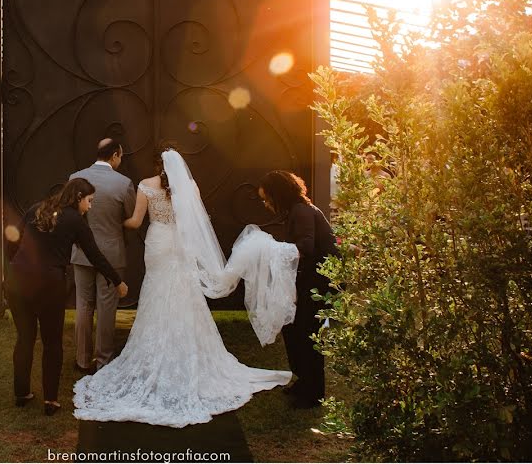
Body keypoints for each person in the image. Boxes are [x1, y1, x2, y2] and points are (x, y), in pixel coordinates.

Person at [73, 149, 294, 427]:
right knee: (184, 294)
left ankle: (154, 354)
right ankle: (187, 352)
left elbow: (135, 222)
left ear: (156, 164)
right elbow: (196, 222)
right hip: (181, 244)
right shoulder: (189, 185)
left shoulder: (144, 185)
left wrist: (112, 220)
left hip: (158, 244)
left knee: (156, 292)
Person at [7, 178, 128, 416]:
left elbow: (12, 238)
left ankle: (21, 394)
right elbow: (95, 255)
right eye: (89, 201)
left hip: (17, 280)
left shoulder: (37, 208)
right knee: (52, 342)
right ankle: (50, 400)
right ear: (79, 197)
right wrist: (117, 281)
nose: (90, 207)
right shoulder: (75, 220)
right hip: (49, 283)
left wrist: (10, 266)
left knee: (25, 338)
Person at [259, 170, 339, 409]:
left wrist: (273, 250)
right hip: (310, 279)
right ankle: (304, 380)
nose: (266, 204)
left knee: (306, 333)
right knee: (294, 329)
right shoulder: (296, 211)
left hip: (321, 281)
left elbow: (306, 245)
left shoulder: (302, 212)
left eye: (267, 199)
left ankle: (314, 392)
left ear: (278, 194)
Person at [69, 138, 136, 373]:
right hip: (110, 253)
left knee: (83, 304)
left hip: (81, 252)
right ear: (116, 155)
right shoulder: (124, 183)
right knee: (107, 307)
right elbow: (129, 217)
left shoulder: (75, 178)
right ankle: (103, 360)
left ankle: (82, 359)